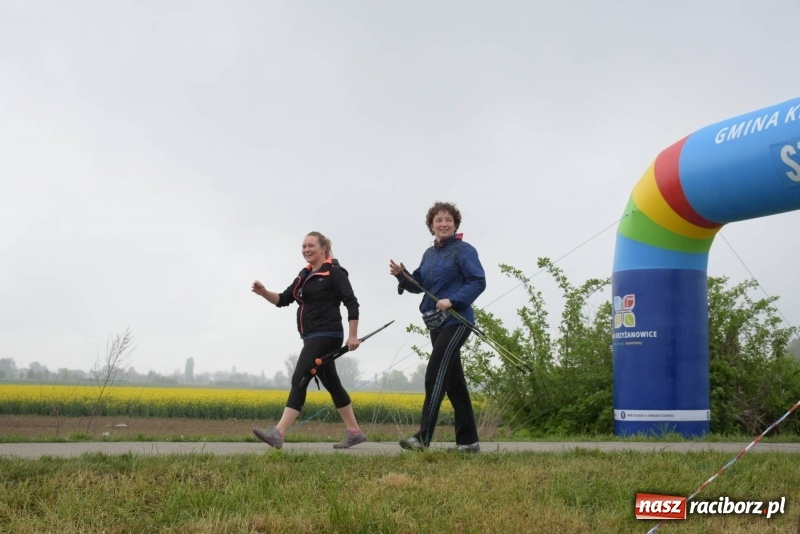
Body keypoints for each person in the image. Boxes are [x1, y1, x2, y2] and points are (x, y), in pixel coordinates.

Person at [251, 231, 367, 450]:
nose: (306, 250)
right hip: (311, 336)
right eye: (303, 246)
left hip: (327, 334)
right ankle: (354, 432)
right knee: (332, 384)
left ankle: (278, 432)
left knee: (299, 378)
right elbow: (283, 300)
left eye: (311, 245)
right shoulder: (303, 275)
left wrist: (353, 335)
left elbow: (352, 303)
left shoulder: (335, 273)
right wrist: (264, 292)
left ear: (323, 248)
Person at [389, 201, 486, 453]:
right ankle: (469, 443)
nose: (444, 224)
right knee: (454, 383)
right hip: (436, 323)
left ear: (455, 225)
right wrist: (402, 275)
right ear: (431, 226)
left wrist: (453, 300)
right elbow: (418, 284)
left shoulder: (464, 250)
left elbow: (478, 281)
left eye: (449, 220)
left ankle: (423, 438)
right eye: (439, 220)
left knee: (435, 373)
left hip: (457, 320)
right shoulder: (429, 254)